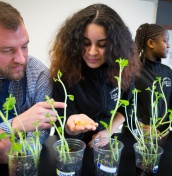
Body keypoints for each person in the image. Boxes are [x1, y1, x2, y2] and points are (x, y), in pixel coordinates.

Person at [50, 3, 140, 145]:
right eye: (85, 43)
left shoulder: (123, 69)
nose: (92, 52)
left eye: (102, 44)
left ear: (115, 46)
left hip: (103, 142)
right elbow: (61, 119)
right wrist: (71, 127)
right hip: (70, 145)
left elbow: (127, 106)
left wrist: (108, 131)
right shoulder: (65, 72)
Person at [0, 1, 65, 163]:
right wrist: (16, 124)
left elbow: (41, 131)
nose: (22, 59)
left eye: (24, 46)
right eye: (8, 50)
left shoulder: (39, 73)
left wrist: (18, 154)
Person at [134, 23, 172, 133]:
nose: (168, 45)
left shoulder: (168, 72)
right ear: (151, 43)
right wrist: (142, 126)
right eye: (165, 40)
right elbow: (125, 107)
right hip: (138, 136)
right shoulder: (133, 72)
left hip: (163, 135)